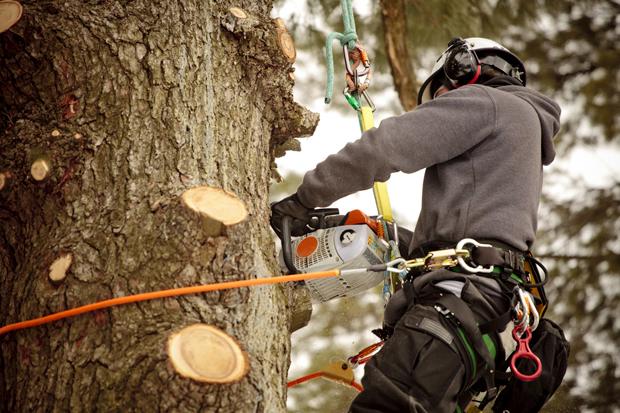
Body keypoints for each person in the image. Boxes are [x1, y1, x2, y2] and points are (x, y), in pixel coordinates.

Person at [271, 37, 563, 412]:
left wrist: (302, 200)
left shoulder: (486, 102)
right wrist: (387, 235)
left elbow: (384, 148)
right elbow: (477, 238)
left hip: (455, 307)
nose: (441, 105)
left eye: (441, 94)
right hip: (486, 316)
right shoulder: (521, 130)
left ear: (465, 70)